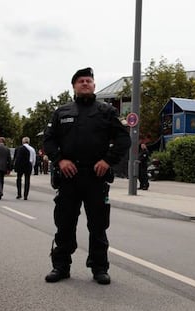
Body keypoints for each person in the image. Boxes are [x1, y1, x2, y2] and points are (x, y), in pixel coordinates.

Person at [43, 67, 131, 285]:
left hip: (95, 176)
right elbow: (49, 140)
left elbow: (123, 140)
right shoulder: (62, 112)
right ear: (74, 86)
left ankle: (99, 267)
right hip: (68, 178)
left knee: (98, 225)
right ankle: (60, 266)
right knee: (64, 224)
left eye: (89, 80)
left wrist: (107, 161)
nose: (85, 83)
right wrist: (60, 160)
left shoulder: (106, 112)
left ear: (94, 85)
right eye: (81, 80)